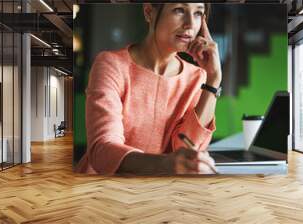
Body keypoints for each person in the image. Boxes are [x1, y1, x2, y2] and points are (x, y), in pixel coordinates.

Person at [76, 3, 222, 175]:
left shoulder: (198, 77)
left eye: (198, 13)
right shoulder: (111, 65)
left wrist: (213, 80)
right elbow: (102, 150)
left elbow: (186, 150)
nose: (190, 24)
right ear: (148, 12)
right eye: (179, 10)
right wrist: (165, 164)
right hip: (102, 190)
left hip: (160, 191)